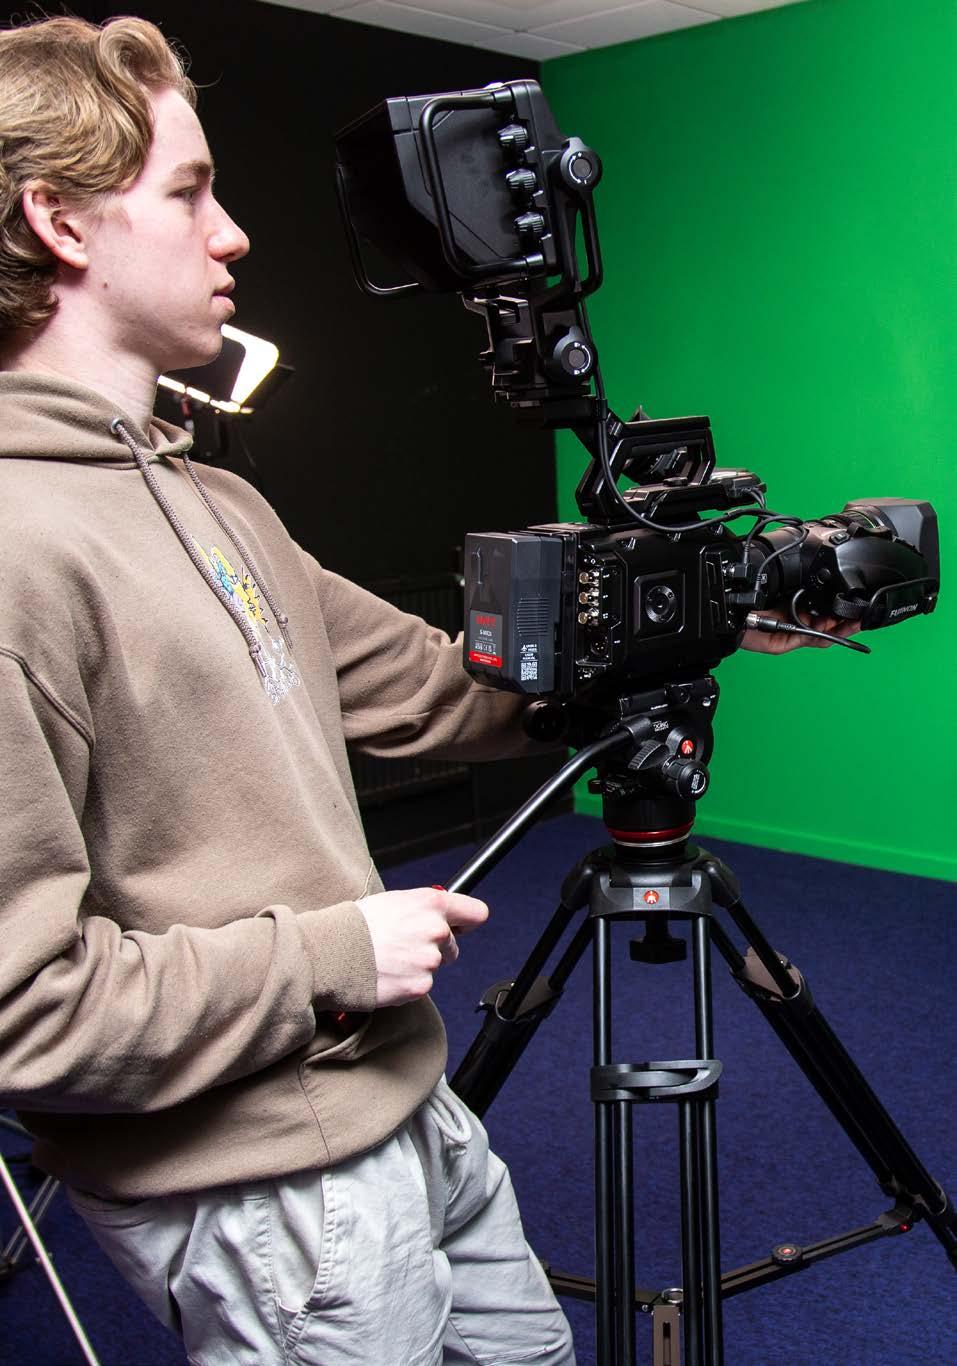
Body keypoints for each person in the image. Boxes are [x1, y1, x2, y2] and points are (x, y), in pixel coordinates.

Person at [0, 16, 850, 1365]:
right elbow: (24, 1014)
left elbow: (447, 692)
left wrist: (700, 611)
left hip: (406, 1107)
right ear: (59, 221)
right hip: (262, 1187)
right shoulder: (19, 552)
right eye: (189, 191)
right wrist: (334, 955)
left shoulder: (216, 498)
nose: (233, 235)